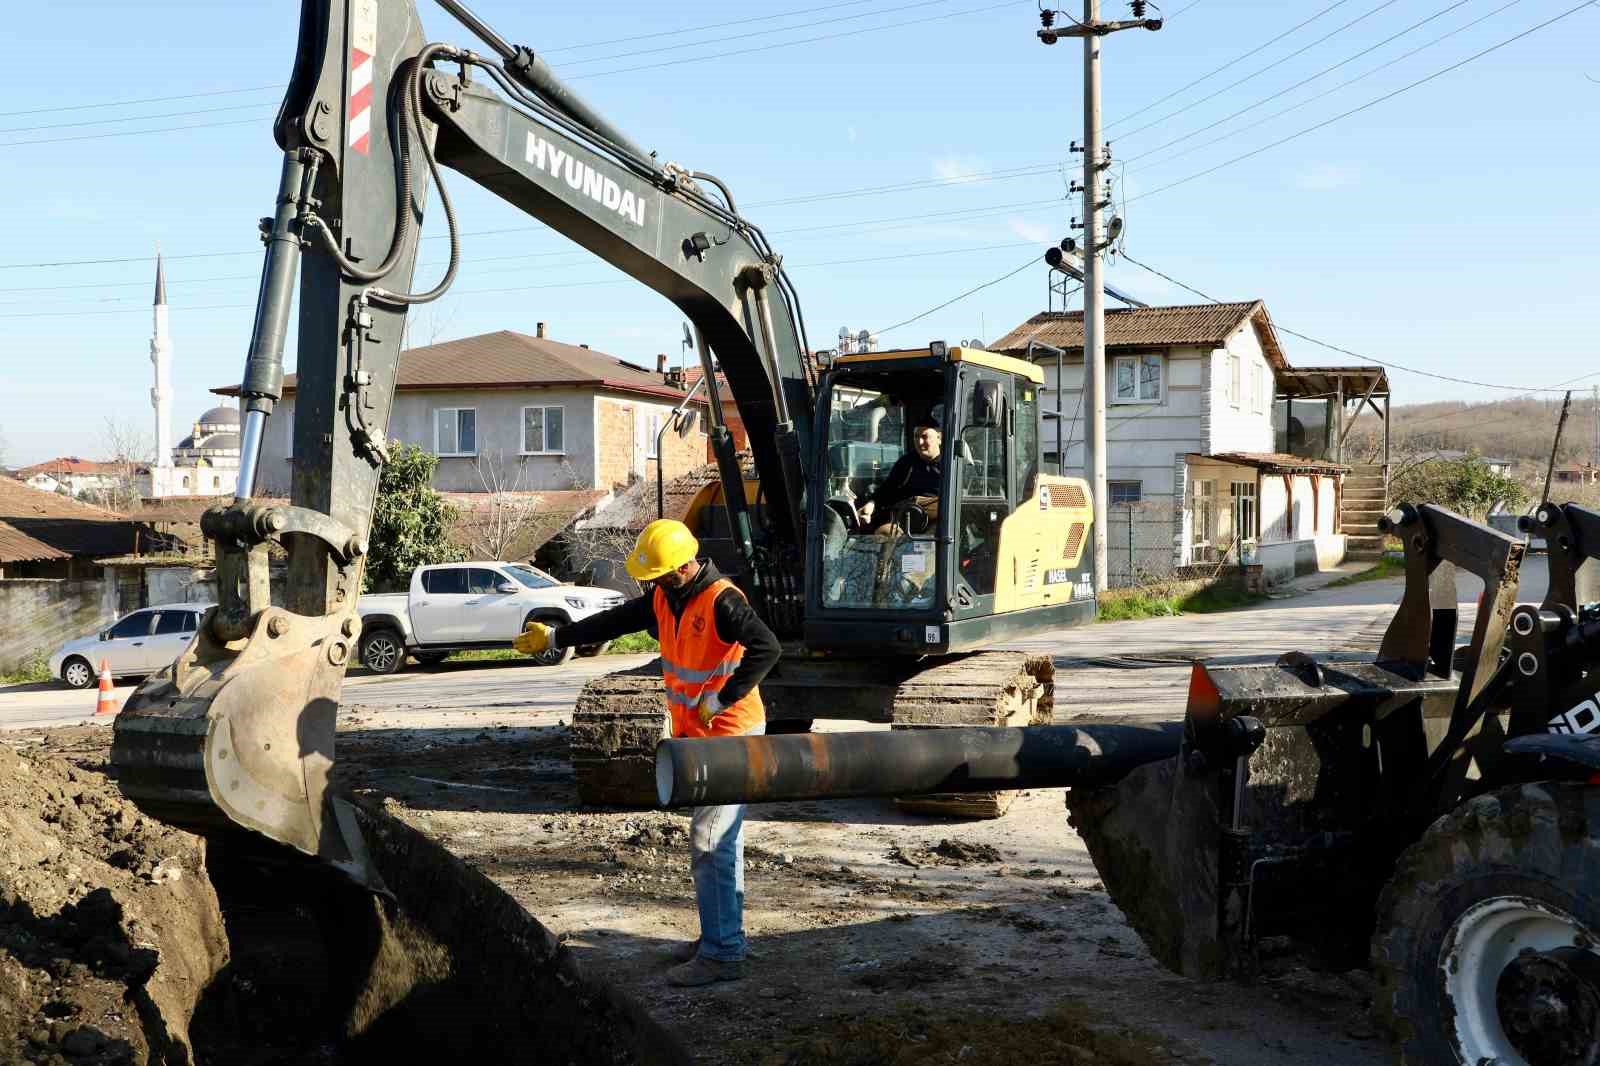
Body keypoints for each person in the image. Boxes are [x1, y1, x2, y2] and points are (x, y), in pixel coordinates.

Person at [513, 518, 780, 987]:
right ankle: (722, 937)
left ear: (682, 568)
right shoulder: (666, 596)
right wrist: (555, 638)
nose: (651, 583)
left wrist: (723, 696)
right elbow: (616, 620)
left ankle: (722, 953)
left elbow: (767, 647)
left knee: (711, 838)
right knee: (720, 839)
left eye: (656, 575)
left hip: (731, 732)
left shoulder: (723, 599)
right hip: (700, 734)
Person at [857, 420, 943, 534]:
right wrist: (871, 505)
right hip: (905, 519)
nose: (919, 442)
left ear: (939, 438)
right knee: (884, 533)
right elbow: (887, 489)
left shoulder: (950, 464)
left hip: (939, 522)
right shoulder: (906, 463)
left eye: (924, 436)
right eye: (916, 437)